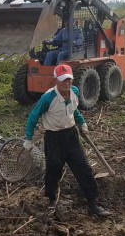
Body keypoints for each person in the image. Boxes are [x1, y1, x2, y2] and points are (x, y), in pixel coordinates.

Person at [23, 64, 111, 217]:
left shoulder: (75, 92)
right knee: (53, 169)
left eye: (69, 79)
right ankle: (51, 198)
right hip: (53, 138)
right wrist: (28, 139)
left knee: (84, 168)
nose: (67, 83)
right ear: (56, 80)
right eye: (63, 80)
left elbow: (74, 110)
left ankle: (92, 202)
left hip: (71, 136)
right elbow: (33, 117)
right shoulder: (48, 98)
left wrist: (82, 123)